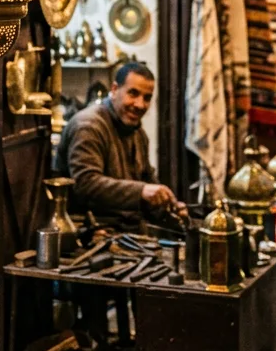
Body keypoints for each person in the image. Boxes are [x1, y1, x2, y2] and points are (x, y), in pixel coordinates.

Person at [54, 61, 185, 230]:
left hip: (124, 229)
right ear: (114, 90)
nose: (140, 104)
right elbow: (86, 183)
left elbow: (147, 179)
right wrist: (142, 191)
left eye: (147, 98)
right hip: (89, 231)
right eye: (133, 93)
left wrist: (169, 207)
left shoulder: (137, 131)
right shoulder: (88, 126)